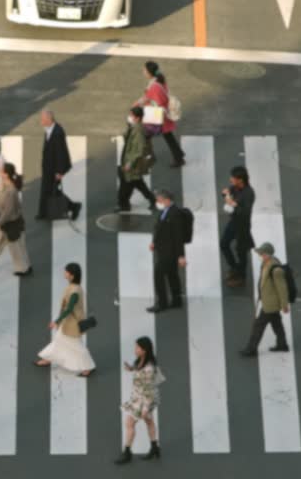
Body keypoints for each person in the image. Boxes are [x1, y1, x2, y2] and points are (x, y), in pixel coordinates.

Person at [34, 263, 95, 376]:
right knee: (58, 340)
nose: (64, 273)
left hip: (72, 324)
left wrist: (56, 321)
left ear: (72, 275)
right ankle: (49, 358)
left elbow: (68, 309)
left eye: (66, 272)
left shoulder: (74, 292)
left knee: (77, 346)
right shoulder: (74, 286)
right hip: (68, 322)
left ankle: (88, 367)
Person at [115, 336, 164, 464]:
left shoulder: (149, 368)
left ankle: (127, 453)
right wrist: (131, 368)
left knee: (129, 423)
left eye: (138, 347)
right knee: (149, 421)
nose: (135, 349)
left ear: (144, 350)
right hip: (138, 396)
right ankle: (155, 448)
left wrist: (146, 408)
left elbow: (148, 390)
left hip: (144, 400)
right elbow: (138, 369)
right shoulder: (140, 360)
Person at [240, 242, 290, 356]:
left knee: (258, 325)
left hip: (271, 304)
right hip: (268, 300)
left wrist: (284, 305)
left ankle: (251, 350)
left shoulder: (275, 269)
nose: (260, 255)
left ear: (267, 254)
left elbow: (282, 289)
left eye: (262, 253)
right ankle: (282, 344)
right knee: (276, 323)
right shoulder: (266, 262)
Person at [133, 61, 185, 168]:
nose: (143, 71)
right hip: (163, 116)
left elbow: (151, 99)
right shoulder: (159, 79)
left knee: (145, 135)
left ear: (149, 72)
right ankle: (178, 156)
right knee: (168, 137)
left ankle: (139, 159)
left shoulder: (154, 86)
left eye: (144, 70)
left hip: (157, 116)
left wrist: (138, 104)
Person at [37, 110, 82, 221]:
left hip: (54, 168)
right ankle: (43, 212)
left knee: (54, 191)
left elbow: (61, 153)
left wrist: (59, 172)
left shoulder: (57, 133)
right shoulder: (50, 129)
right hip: (48, 166)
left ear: (48, 120)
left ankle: (74, 206)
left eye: (42, 120)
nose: (41, 121)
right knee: (47, 189)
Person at [147, 190, 186, 313]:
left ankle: (162, 303)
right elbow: (159, 228)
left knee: (158, 275)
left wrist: (181, 256)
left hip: (169, 252)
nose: (158, 203)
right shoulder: (166, 211)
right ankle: (176, 300)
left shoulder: (175, 214)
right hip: (163, 248)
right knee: (172, 274)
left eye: (159, 200)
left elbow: (178, 237)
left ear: (167, 200)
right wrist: (155, 242)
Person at [220, 166, 256, 288]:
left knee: (241, 251)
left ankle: (241, 276)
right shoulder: (234, 188)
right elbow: (227, 194)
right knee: (223, 244)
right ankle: (234, 267)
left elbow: (245, 212)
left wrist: (233, 204)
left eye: (233, 178)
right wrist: (225, 195)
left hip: (243, 226)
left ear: (240, 180)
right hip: (233, 222)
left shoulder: (249, 193)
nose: (231, 180)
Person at [116, 106, 156, 213]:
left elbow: (139, 150)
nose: (129, 117)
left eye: (131, 115)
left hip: (132, 163)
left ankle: (124, 205)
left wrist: (129, 163)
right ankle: (152, 199)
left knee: (125, 186)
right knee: (137, 182)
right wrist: (129, 127)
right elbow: (126, 137)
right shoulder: (134, 127)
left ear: (137, 118)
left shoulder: (138, 130)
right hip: (129, 161)